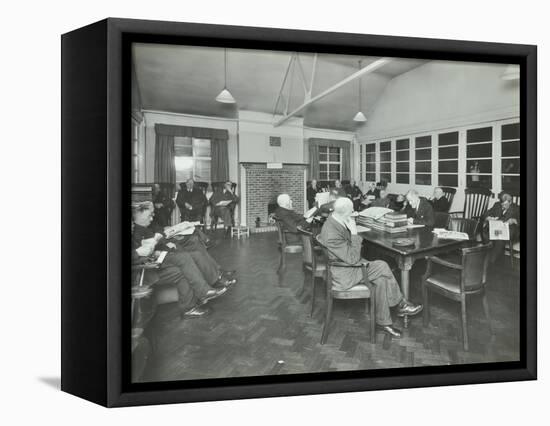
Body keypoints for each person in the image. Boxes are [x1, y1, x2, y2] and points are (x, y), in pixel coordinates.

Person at [318, 198, 422, 338]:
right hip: (344, 274)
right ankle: (400, 304)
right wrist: (354, 232)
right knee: (383, 265)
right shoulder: (331, 232)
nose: (354, 213)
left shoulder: (334, 218)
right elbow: (353, 258)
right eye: (352, 211)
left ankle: (384, 323)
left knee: (381, 280)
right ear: (345, 213)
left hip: (346, 265)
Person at [132, 203, 230, 318]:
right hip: (147, 271)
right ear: (139, 216)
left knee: (188, 262)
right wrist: (149, 250)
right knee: (183, 257)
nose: (152, 217)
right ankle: (204, 292)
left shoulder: (144, 228)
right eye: (149, 215)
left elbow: (157, 239)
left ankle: (190, 307)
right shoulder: (136, 232)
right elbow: (139, 254)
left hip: (157, 259)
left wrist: (156, 246)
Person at [482, 192, 520, 263]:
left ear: (510, 202)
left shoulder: (516, 208)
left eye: (505, 204)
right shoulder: (497, 205)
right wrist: (488, 217)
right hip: (497, 228)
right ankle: (487, 255)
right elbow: (486, 213)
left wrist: (515, 220)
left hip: (510, 230)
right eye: (502, 204)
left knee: (499, 237)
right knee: (485, 231)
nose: (503, 207)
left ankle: (491, 260)